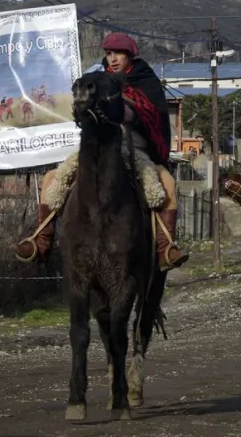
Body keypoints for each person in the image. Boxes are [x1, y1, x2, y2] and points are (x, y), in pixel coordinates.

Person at [12, 32, 189, 271]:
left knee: (166, 183)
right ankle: (42, 241)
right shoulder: (96, 81)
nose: (113, 58)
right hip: (97, 147)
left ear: (130, 55)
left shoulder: (145, 80)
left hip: (133, 149)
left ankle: (164, 248)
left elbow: (151, 115)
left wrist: (126, 111)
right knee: (52, 178)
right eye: (108, 54)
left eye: (118, 53)